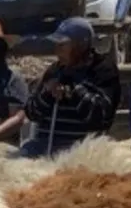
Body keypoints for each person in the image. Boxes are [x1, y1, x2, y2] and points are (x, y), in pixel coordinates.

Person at [18, 17, 122, 158]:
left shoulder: (103, 71)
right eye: (57, 45)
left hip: (82, 148)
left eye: (63, 45)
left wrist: (74, 92)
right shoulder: (55, 71)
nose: (57, 51)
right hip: (46, 146)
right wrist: (47, 94)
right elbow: (31, 112)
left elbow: (101, 117)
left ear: (81, 46)